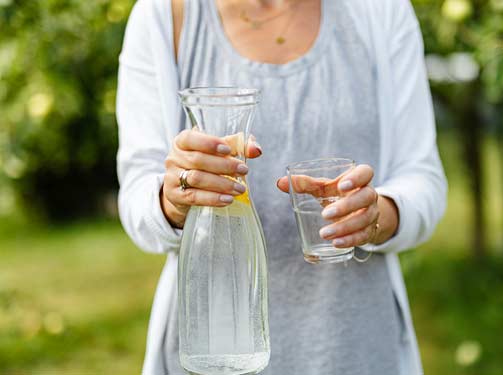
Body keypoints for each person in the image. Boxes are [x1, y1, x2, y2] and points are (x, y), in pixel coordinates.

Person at [116, 0, 447, 374]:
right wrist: (176, 199)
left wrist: (377, 216)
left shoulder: (380, 11)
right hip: (216, 351)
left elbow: (424, 180)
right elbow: (136, 198)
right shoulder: (164, 15)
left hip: (353, 346)